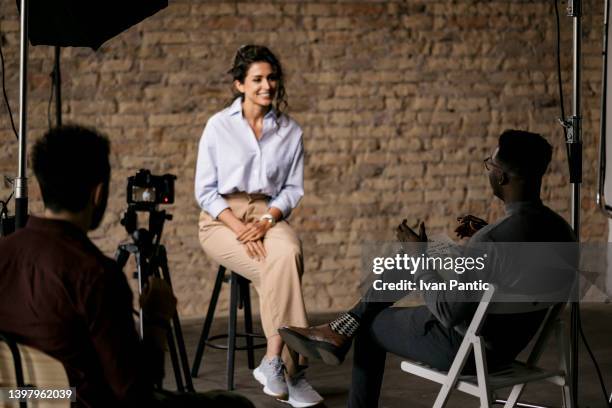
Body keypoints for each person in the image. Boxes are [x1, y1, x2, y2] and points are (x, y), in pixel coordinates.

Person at [279, 130, 577, 407]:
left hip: (469, 348)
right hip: (511, 343)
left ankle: (346, 328)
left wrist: (420, 257)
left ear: (501, 177)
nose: (489, 171)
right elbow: (517, 263)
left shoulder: (493, 240)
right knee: (423, 256)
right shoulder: (562, 230)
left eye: (490, 165)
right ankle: (340, 328)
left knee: (372, 324)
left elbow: (449, 313)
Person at [0, 125, 253, 408]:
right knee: (235, 404)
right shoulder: (95, 274)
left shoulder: (4, 253)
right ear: (99, 193)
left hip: (20, 401)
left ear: (41, 186)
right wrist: (156, 319)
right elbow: (136, 393)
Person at [194, 45, 322, 407]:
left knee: (288, 252)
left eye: (271, 78)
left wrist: (266, 220)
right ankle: (293, 374)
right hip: (221, 219)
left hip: (267, 214)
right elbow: (204, 191)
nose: (267, 85)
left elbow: (293, 189)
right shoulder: (218, 126)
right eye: (257, 79)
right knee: (275, 266)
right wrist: (238, 226)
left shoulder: (290, 131)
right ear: (240, 85)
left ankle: (273, 363)